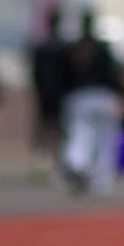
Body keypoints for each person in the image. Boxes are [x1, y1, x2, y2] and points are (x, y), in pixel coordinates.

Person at [57, 12, 124, 195]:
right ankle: (101, 181)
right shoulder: (102, 47)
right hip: (103, 96)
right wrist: (120, 95)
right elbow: (113, 74)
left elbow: (62, 77)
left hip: (78, 97)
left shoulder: (72, 48)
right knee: (105, 140)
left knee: (79, 134)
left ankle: (76, 162)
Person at [30, 10, 71, 178]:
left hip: (44, 94)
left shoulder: (41, 48)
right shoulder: (64, 47)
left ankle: (42, 165)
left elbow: (35, 73)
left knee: (44, 130)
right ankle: (60, 163)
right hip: (60, 94)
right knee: (61, 130)